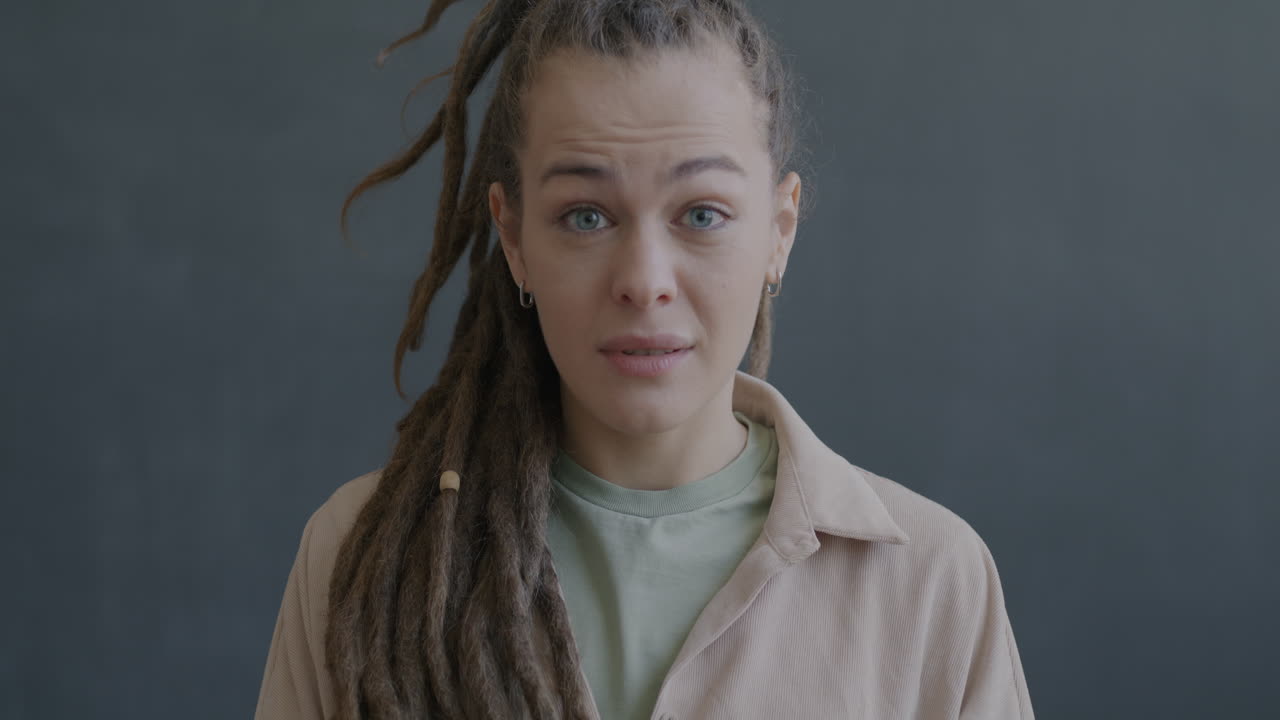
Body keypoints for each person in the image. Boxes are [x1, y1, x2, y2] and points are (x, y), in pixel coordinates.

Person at [254, 0, 1035, 718]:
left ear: (780, 231)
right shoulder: (358, 560)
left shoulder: (933, 584)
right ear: (515, 239)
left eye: (701, 214)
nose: (643, 282)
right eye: (585, 216)